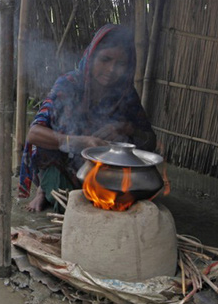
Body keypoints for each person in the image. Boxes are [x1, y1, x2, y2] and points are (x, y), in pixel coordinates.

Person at [19, 24, 156, 212]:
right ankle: (44, 189)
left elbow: (150, 141)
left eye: (121, 64)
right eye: (105, 59)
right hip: (64, 166)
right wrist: (80, 142)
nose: (111, 69)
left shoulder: (125, 94)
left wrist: (125, 129)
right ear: (91, 57)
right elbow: (34, 134)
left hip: (104, 173)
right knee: (69, 206)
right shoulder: (68, 85)